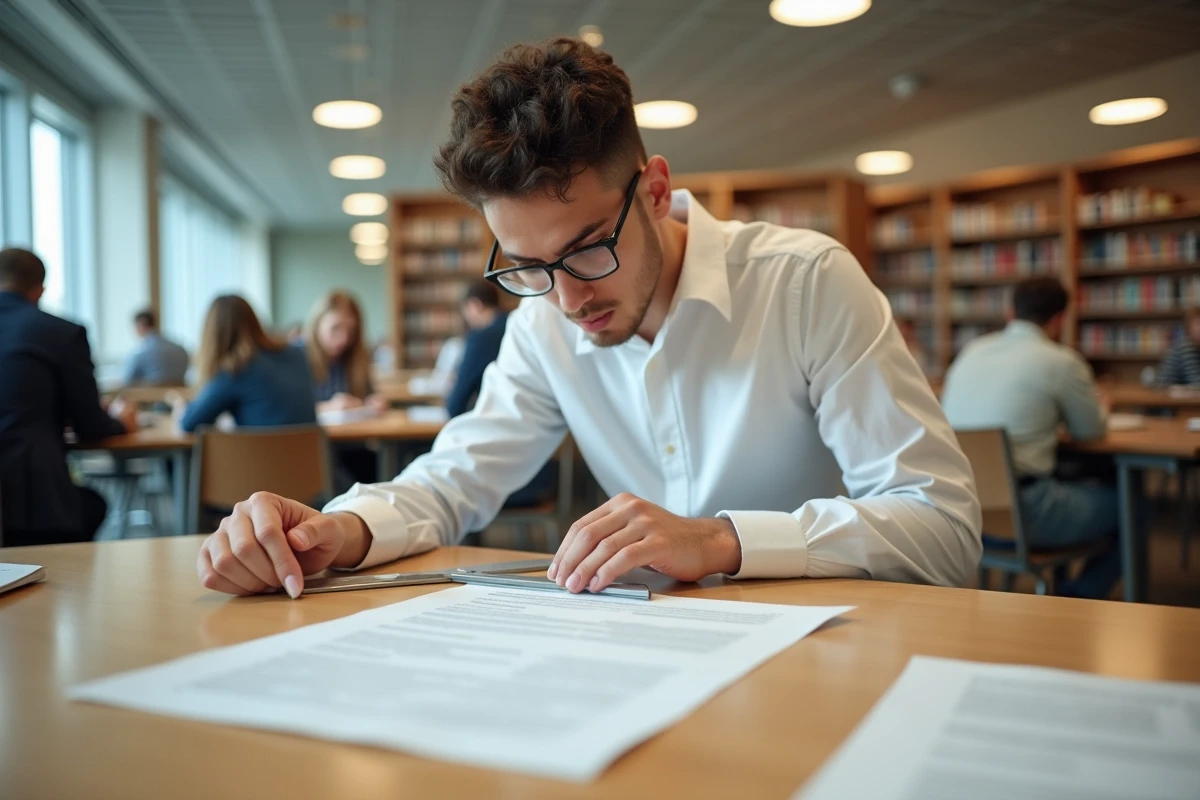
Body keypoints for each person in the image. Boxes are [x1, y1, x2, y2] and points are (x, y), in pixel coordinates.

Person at [195, 38, 981, 600]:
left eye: (585, 250)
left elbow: (943, 530)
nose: (567, 300)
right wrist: (337, 533)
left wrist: (720, 540)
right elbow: (450, 482)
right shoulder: (541, 326)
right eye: (526, 266)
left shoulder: (806, 283)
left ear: (656, 192)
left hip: (837, 645)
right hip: (656, 652)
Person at [941, 277, 1120, 599]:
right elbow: (1090, 431)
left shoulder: (971, 351)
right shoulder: (1061, 361)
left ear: (1011, 312)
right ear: (1059, 320)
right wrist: (1102, 407)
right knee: (1133, 505)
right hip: (1028, 513)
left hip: (963, 510)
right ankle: (1078, 595)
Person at [0, 248, 136, 545]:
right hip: (28, 503)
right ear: (39, 291)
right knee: (92, 506)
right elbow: (91, 426)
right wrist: (121, 422)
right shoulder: (60, 332)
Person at [174, 295, 316, 433]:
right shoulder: (297, 354)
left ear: (212, 336)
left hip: (260, 456)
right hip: (310, 455)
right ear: (254, 321)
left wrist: (181, 410)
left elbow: (189, 423)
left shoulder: (235, 368)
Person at [303, 291, 387, 416]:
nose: (344, 338)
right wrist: (328, 407)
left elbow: (369, 397)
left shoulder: (356, 358)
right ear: (317, 324)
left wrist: (374, 402)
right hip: (312, 435)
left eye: (351, 331)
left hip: (350, 433)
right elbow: (286, 409)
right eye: (335, 328)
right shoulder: (296, 357)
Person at [445, 280, 508, 416]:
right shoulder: (516, 325)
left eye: (466, 310)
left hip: (494, 421)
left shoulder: (481, 338)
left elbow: (456, 404)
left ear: (475, 305)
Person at [122, 308, 190, 386]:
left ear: (140, 325)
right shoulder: (180, 349)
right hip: (179, 395)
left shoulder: (141, 352)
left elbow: (127, 380)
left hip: (150, 396)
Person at [1157, 307, 1200, 386]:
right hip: (1166, 392)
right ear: (1189, 327)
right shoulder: (1186, 345)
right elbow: (1196, 381)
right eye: (1198, 324)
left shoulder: (1197, 346)